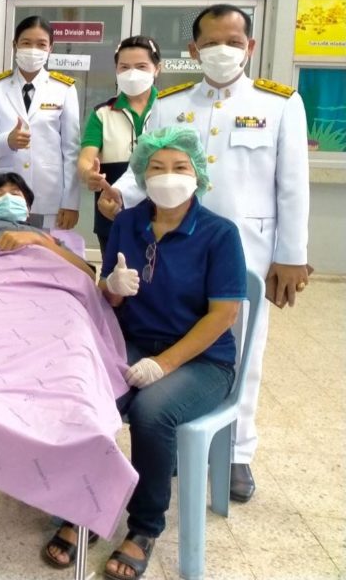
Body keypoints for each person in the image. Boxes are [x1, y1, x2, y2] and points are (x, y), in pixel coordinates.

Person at [100, 3, 310, 503]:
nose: (223, 51)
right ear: (194, 50)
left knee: (242, 349)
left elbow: (293, 184)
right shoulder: (172, 104)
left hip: (247, 248)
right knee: (168, 333)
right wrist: (118, 195)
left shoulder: (279, 103)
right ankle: (166, 442)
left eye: (234, 43)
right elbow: (147, 166)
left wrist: (291, 254)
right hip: (174, 244)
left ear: (250, 47)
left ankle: (236, 452)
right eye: (212, 43)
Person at [44, 126, 245, 580]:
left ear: (198, 175)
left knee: (152, 413)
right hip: (132, 343)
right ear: (142, 174)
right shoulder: (128, 223)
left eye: (179, 167)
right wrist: (112, 287)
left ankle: (144, 527)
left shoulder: (219, 234)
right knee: (87, 396)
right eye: (157, 167)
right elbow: (107, 296)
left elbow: (224, 315)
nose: (168, 176)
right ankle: (82, 507)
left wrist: (163, 364)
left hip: (202, 360)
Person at [0, 16, 80, 230]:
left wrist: (71, 202)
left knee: (45, 248)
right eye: (26, 43)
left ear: (50, 48)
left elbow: (71, 151)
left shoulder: (63, 89)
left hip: (49, 193)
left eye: (41, 44)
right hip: (7, 194)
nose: (33, 50)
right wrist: (8, 141)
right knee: (5, 245)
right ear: (14, 45)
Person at [78, 36, 160, 252]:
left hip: (162, 211)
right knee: (115, 270)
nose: (132, 73)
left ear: (157, 69)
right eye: (124, 67)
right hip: (111, 210)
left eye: (141, 66)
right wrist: (89, 175)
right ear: (116, 70)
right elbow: (86, 158)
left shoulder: (170, 108)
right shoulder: (102, 114)